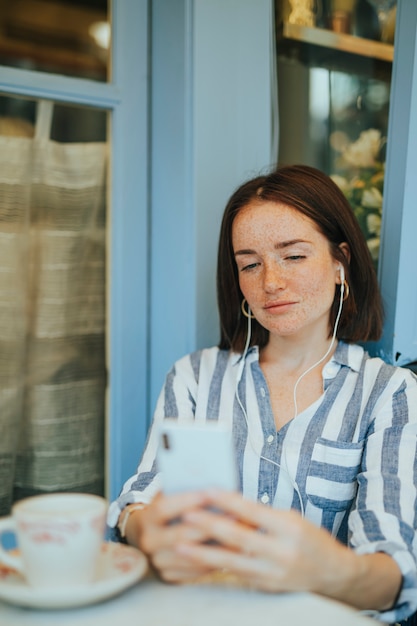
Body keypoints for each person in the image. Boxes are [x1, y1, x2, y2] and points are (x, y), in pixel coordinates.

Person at [108, 165, 417, 624]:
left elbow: (392, 572)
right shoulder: (195, 377)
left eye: (293, 256)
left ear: (340, 263)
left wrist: (333, 570)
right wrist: (142, 525)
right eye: (250, 264)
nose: (270, 281)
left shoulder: (387, 392)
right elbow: (142, 498)